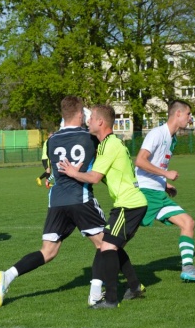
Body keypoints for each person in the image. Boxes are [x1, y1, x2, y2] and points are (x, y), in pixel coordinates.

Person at [0, 96, 105, 307]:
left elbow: (54, 169)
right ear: (80, 114)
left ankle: (8, 275)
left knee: (48, 251)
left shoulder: (51, 141)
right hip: (80, 198)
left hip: (56, 201)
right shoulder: (90, 138)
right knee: (105, 245)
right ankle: (98, 292)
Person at [59, 104, 148, 309]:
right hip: (129, 204)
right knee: (112, 246)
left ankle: (111, 300)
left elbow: (95, 178)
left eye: (91, 118)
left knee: (107, 247)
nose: (88, 121)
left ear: (100, 122)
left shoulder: (110, 145)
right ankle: (134, 287)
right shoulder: (107, 144)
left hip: (129, 205)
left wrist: (73, 173)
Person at [134, 100, 195, 282]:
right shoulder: (157, 133)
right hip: (146, 194)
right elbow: (140, 161)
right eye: (188, 114)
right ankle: (104, 265)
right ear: (178, 114)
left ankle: (188, 268)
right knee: (122, 235)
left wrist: (164, 184)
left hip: (158, 193)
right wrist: (166, 174)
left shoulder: (172, 138)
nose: (190, 118)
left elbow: (155, 164)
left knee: (188, 223)